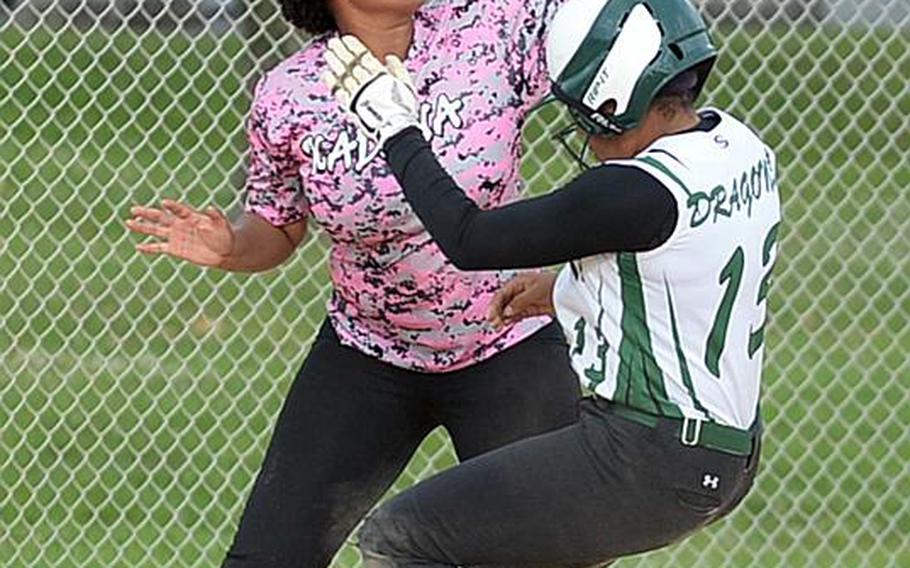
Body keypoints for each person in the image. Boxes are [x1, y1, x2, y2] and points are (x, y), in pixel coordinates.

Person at [321, 0, 781, 564]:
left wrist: (396, 129)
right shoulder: (740, 147)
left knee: (403, 537)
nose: (586, 134)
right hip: (723, 451)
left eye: (586, 113)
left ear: (614, 97)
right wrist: (565, 291)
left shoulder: (636, 190)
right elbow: (681, 274)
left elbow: (472, 241)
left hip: (649, 453)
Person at [125, 1, 582, 566]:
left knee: (549, 558)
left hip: (505, 341)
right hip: (367, 354)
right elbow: (277, 223)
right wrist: (231, 247)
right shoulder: (290, 93)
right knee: (268, 558)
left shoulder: (489, 29)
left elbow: (608, 47)